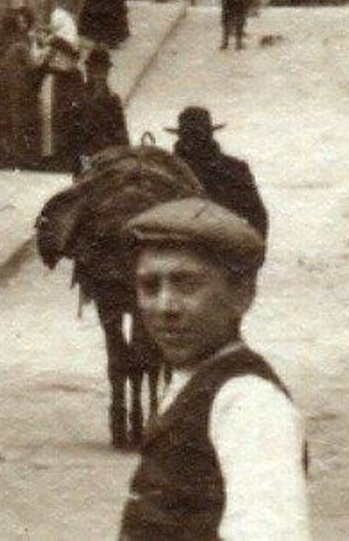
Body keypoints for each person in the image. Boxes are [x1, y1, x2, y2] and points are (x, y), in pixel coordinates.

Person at [119, 198, 308, 539]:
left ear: (242, 295)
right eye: (149, 286)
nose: (165, 306)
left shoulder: (250, 402)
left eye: (186, 284)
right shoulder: (192, 379)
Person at [170, 106, 270, 240]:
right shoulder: (235, 169)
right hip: (220, 245)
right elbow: (258, 220)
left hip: (214, 247)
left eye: (197, 135)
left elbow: (257, 218)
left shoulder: (164, 169)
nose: (194, 141)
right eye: (190, 136)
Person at [0, 6, 44, 169]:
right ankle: (16, 157)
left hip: (0, 85)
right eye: (19, 22)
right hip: (16, 86)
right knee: (15, 120)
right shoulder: (20, 42)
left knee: (1, 121)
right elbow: (31, 64)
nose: (22, 25)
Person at [60, 44, 131, 170]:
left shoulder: (113, 99)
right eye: (96, 70)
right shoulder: (78, 96)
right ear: (88, 69)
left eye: (103, 70)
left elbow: (121, 134)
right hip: (84, 157)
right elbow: (70, 132)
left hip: (107, 158)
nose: (99, 75)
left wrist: (124, 158)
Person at [37, 8, 86, 170]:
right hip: (69, 83)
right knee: (66, 119)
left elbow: (45, 61)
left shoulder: (56, 41)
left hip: (55, 82)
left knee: (50, 118)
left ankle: (51, 155)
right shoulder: (72, 38)